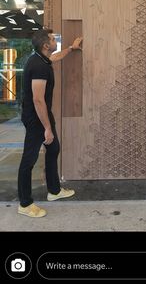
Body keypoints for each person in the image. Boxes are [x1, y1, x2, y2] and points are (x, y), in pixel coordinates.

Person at [17, 28, 83, 218]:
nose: (56, 41)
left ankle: (54, 191)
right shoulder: (38, 66)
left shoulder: (42, 59)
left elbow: (55, 58)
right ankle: (25, 203)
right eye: (54, 39)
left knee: (53, 149)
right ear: (46, 45)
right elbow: (38, 100)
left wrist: (71, 48)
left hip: (42, 115)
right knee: (28, 160)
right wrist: (46, 128)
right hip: (36, 118)